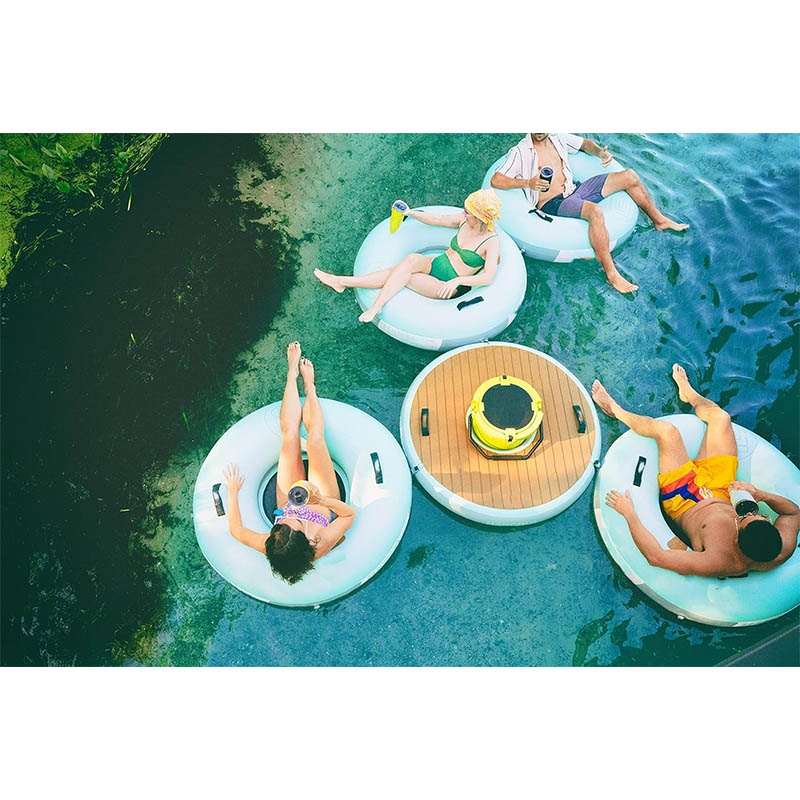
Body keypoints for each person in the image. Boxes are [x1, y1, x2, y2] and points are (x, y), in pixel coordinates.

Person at [591, 364, 800, 577]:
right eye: (758, 515)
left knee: (667, 431)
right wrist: (760, 495)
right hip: (721, 489)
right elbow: (793, 512)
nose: (746, 512)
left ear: (736, 538)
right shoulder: (781, 548)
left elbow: (656, 557)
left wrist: (629, 513)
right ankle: (689, 394)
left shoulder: (720, 560)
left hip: (685, 500)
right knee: (721, 418)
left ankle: (615, 410)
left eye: (742, 518)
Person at [222, 342, 356, 584]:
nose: (288, 518)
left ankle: (292, 374)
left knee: (290, 436)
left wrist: (232, 492)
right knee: (314, 440)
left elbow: (237, 531)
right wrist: (319, 500)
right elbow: (349, 516)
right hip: (320, 500)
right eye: (290, 523)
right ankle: (310, 387)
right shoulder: (320, 544)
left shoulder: (271, 544)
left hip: (287, 500)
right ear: (305, 540)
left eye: (281, 523)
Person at [490, 133, 689, 294]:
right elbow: (497, 180)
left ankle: (659, 220)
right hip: (552, 203)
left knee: (630, 176)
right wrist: (527, 183)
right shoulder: (520, 151)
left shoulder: (558, 137)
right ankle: (611, 274)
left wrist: (600, 153)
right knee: (595, 211)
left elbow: (585, 144)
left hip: (574, 190)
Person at [314, 189, 502, 323]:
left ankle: (370, 301)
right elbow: (437, 219)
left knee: (404, 275)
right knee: (410, 260)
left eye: (468, 212)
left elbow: (488, 276)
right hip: (435, 263)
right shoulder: (463, 221)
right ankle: (342, 282)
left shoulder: (490, 241)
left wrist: (457, 281)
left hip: (448, 286)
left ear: (478, 217)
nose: (463, 213)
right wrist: (410, 212)